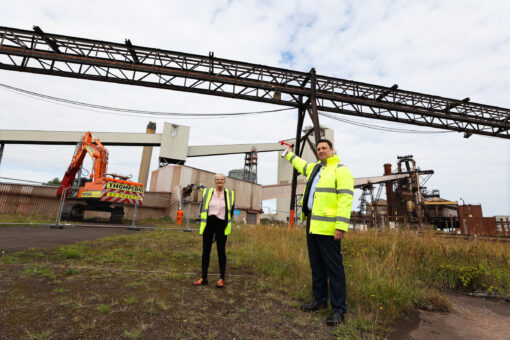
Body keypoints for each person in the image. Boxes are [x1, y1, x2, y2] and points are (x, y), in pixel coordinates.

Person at [284, 139, 354, 326]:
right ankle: (319, 300)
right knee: (317, 267)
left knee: (334, 269)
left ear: (332, 150)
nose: (321, 151)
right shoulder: (315, 169)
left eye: (325, 148)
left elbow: (346, 199)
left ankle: (339, 309)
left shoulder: (341, 170)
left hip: (329, 229)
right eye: (319, 149)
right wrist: (289, 154)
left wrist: (341, 226)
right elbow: (301, 164)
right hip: (312, 225)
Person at [193, 173, 235, 288]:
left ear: (224, 181)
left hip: (221, 224)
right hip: (209, 224)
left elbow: (231, 210)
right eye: (217, 179)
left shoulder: (230, 194)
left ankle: (221, 278)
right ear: (215, 181)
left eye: (221, 179)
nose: (219, 181)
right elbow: (203, 207)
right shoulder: (207, 192)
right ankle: (204, 277)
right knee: (206, 251)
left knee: (221, 252)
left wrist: (227, 223)